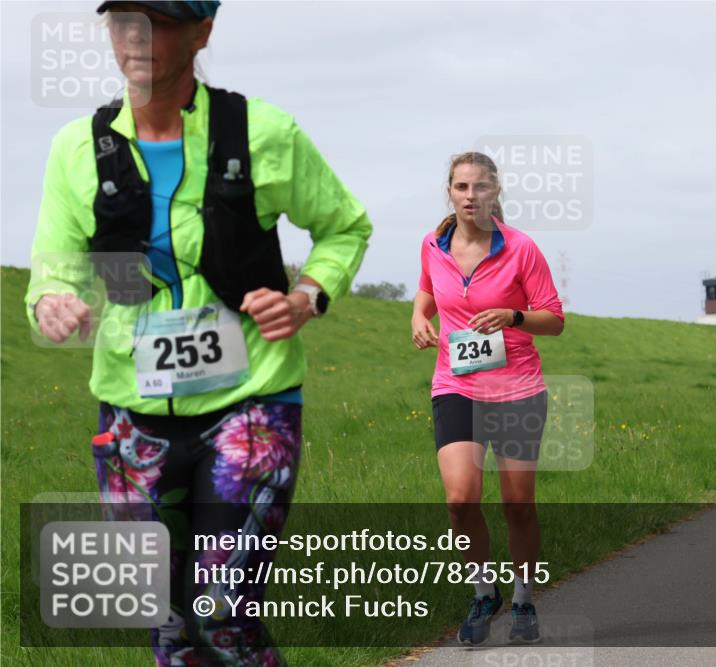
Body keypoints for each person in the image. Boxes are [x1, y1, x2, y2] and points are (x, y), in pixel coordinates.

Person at [25, 2, 372, 664]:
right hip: (131, 417)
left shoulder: (263, 132)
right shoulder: (75, 148)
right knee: (166, 625)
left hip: (252, 403)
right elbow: (54, 267)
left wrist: (306, 296)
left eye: (159, 20)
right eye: (123, 20)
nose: (138, 37)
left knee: (222, 616)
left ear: (201, 32)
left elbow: (344, 227)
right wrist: (52, 302)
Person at [411, 152, 564, 644]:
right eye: (461, 187)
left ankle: (523, 599)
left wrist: (512, 316)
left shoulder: (521, 248)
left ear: (495, 192)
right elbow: (426, 290)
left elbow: (554, 319)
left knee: (517, 505)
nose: (470, 196)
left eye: (480, 187)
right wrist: (419, 317)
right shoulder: (433, 245)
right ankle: (483, 592)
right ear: (450, 192)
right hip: (456, 386)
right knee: (460, 500)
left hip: (517, 388)